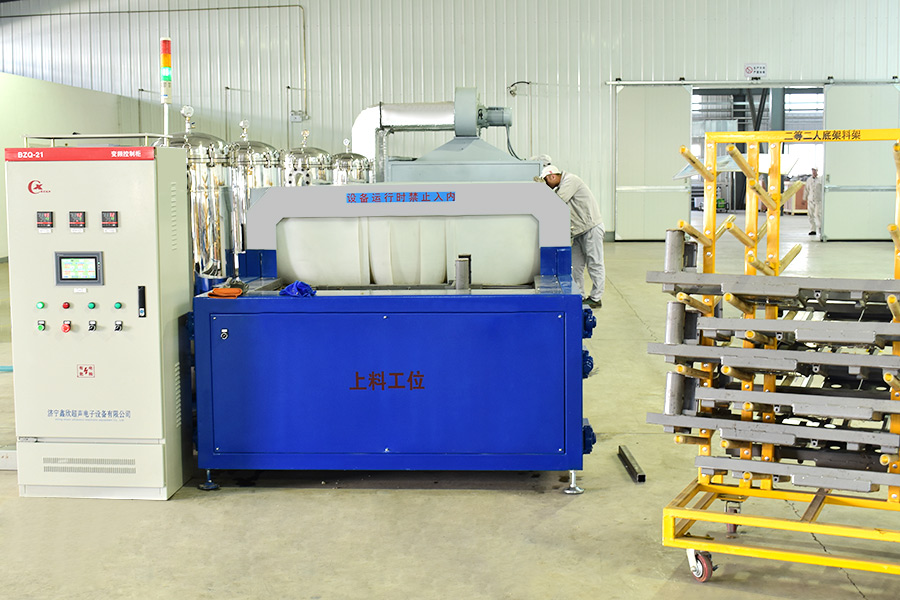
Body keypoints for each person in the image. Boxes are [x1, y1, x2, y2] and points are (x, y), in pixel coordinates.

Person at [541, 165, 605, 308]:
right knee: (575, 266)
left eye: (546, 181)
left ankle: (596, 298)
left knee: (595, 263)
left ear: (552, 176)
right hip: (578, 232)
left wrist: (541, 192)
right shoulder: (562, 186)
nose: (546, 185)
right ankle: (579, 296)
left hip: (591, 228)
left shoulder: (570, 180)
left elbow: (556, 201)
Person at [806, 167, 823, 237]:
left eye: (815, 170)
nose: (813, 172)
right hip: (810, 200)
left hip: (818, 200)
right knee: (810, 215)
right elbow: (807, 189)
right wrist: (804, 198)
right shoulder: (809, 180)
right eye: (812, 170)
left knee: (817, 214)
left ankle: (821, 228)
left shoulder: (821, 179)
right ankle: (812, 230)